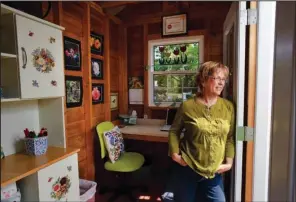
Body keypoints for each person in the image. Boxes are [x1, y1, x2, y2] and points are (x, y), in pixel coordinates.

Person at [162, 61, 235, 202]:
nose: (221, 83)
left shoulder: (228, 107)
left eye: (223, 79)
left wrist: (229, 163)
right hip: (187, 168)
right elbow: (174, 131)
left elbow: (230, 138)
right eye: (217, 78)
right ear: (203, 80)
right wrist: (175, 155)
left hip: (214, 172)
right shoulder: (187, 106)